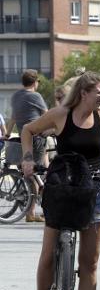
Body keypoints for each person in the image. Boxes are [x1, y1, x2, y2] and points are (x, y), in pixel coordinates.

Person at [21, 71, 100, 290]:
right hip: (64, 186)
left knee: (90, 261)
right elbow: (28, 130)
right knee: (49, 252)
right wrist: (28, 158)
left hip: (95, 188)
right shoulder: (60, 114)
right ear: (84, 93)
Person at [6, 69, 49, 222]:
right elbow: (48, 115)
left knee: (32, 171)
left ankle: (36, 201)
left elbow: (13, 117)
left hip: (21, 139)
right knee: (34, 173)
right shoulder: (35, 96)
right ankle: (31, 212)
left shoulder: (16, 96)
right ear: (35, 82)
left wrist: (7, 134)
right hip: (36, 137)